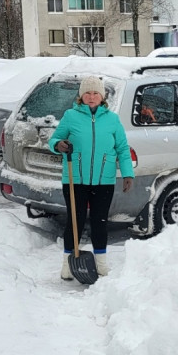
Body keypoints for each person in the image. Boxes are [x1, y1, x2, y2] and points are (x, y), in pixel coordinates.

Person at [49, 76, 134, 279]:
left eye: (95, 93)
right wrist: (58, 145)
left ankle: (101, 263)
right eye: (87, 93)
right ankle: (68, 265)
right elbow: (54, 139)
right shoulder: (70, 116)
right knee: (75, 222)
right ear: (81, 96)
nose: (91, 96)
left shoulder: (112, 119)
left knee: (100, 221)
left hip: (104, 181)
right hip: (75, 179)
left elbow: (122, 148)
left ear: (102, 96)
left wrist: (128, 173)